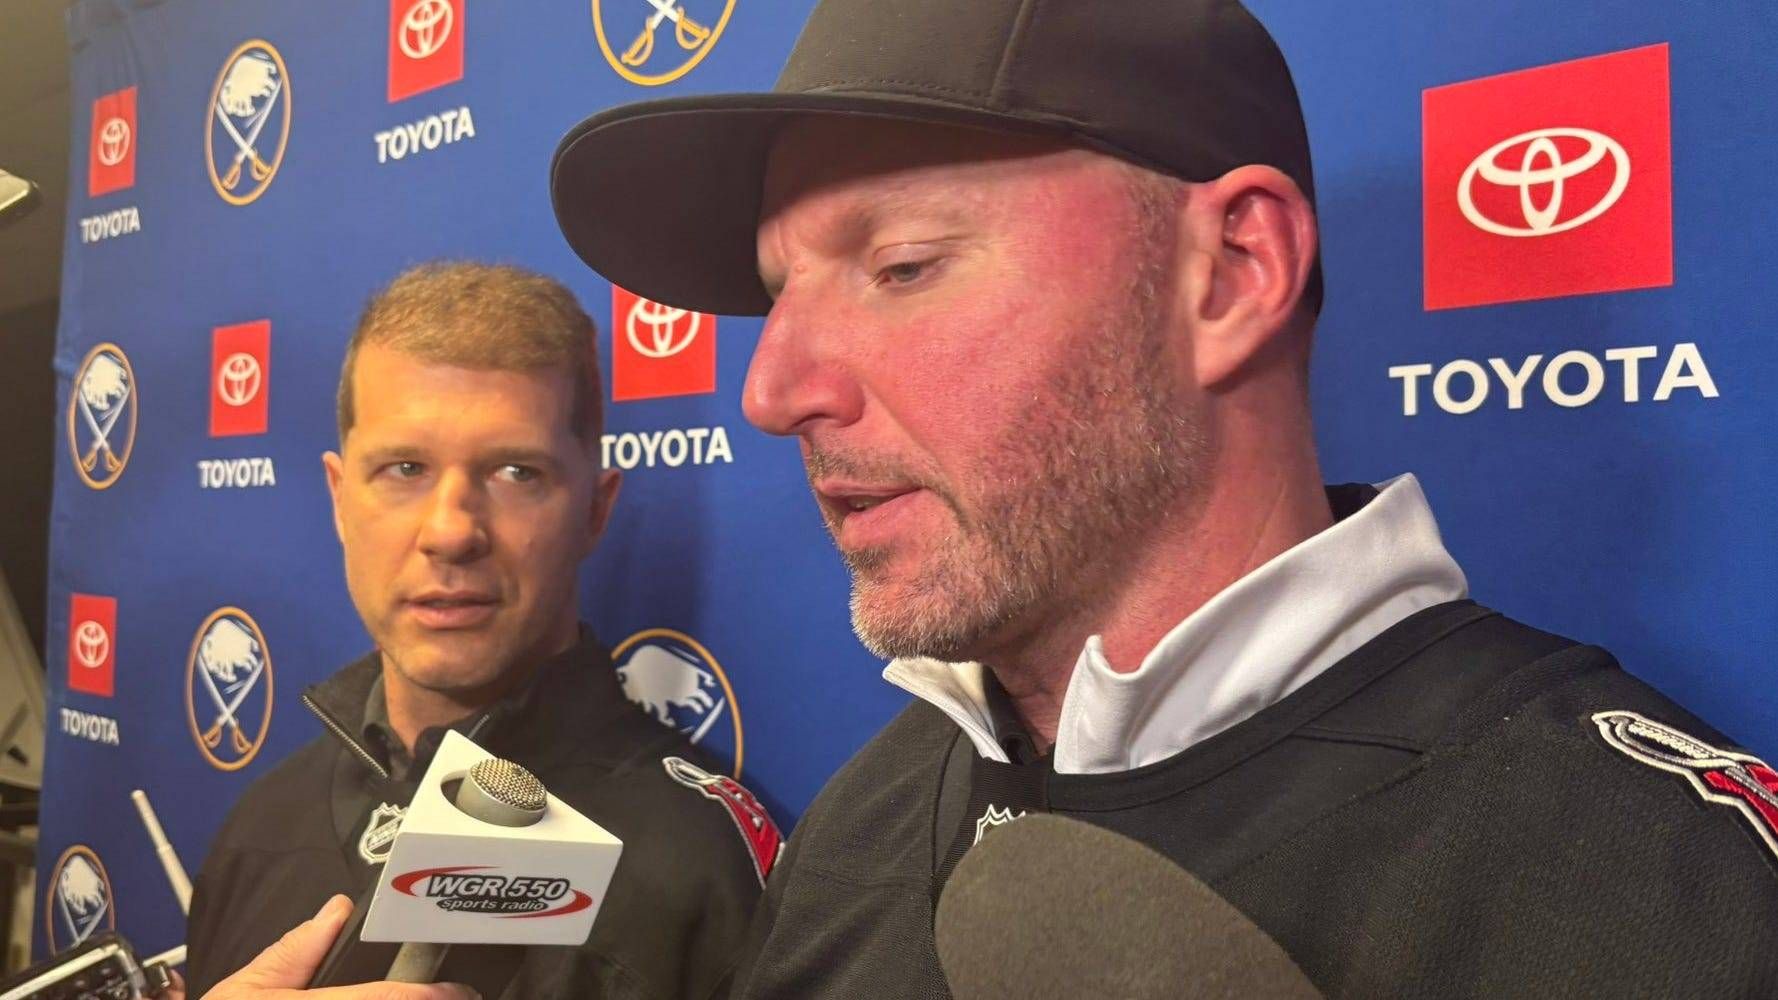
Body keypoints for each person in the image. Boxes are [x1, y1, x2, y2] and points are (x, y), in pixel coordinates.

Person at [545, 0, 1778, 996]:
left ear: (1234, 268)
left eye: (902, 265)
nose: (770, 391)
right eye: (780, 295)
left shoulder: (1654, 886)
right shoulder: (860, 823)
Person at [183, 262, 779, 1000]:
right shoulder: (259, 825)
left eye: (516, 473)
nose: (451, 532)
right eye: (405, 468)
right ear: (340, 499)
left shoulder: (696, 867)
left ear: (595, 510)